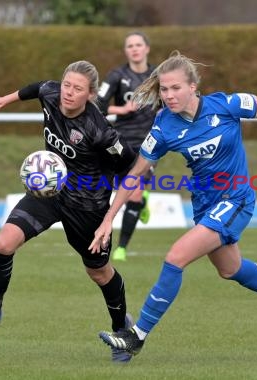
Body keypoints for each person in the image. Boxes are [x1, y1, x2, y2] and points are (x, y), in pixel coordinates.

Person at [88, 51, 257, 358]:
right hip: (204, 204)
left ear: (193, 86)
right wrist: (109, 218)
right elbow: (135, 173)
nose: (169, 95)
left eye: (175, 88)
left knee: (175, 258)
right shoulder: (163, 127)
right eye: (163, 89)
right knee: (230, 269)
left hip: (236, 198)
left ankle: (138, 336)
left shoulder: (225, 105)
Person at [0, 61, 139, 363]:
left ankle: (122, 331)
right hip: (49, 193)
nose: (68, 92)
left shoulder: (100, 132)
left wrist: (109, 218)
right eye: (67, 84)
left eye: (77, 89)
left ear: (90, 94)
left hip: (87, 205)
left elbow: (131, 169)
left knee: (98, 272)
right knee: (3, 244)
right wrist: (1, 100)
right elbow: (34, 88)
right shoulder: (51, 93)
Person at [97, 31, 158, 261]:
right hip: (121, 140)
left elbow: (172, 101)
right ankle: (143, 200)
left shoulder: (158, 76)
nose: (134, 49)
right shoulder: (116, 75)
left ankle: (121, 248)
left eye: (138, 44)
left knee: (132, 191)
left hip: (150, 140)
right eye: (130, 45)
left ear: (146, 48)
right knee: (125, 189)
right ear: (126, 51)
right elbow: (98, 104)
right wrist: (122, 109)